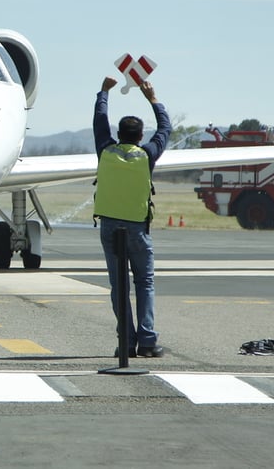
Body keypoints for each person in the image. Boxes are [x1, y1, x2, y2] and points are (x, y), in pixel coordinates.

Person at [93, 77, 171, 358]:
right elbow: (165, 128)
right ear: (140, 137)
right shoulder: (147, 155)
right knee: (144, 283)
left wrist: (104, 92)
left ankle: (126, 341)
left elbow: (99, 122)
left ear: (119, 134)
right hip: (138, 228)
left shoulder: (106, 151)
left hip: (110, 227)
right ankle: (147, 341)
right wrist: (153, 98)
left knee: (119, 286)